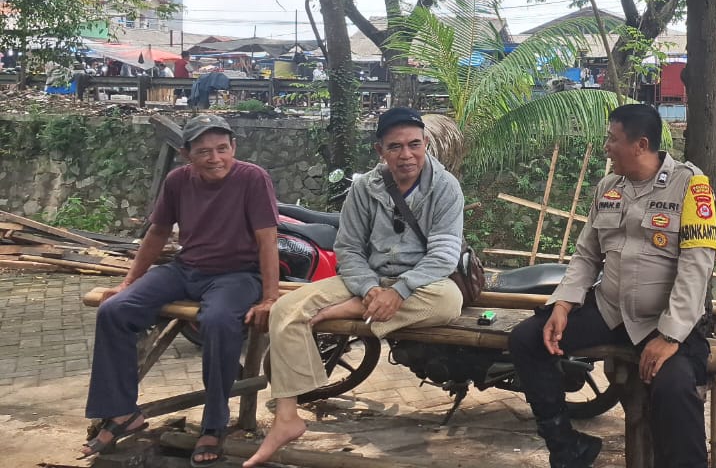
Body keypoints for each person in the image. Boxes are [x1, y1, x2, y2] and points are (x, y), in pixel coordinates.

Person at [244, 108, 465, 467]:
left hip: (421, 283)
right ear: (380, 150)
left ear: (426, 143)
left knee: (449, 302)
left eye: (414, 144)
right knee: (285, 309)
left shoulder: (446, 187)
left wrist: (400, 290)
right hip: (367, 280)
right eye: (395, 147)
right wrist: (368, 289)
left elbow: (444, 254)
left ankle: (356, 310)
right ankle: (287, 417)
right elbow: (347, 248)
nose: (406, 155)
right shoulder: (365, 187)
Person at [509, 104, 716, 468]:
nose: (606, 147)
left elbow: (696, 268)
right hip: (610, 311)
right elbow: (586, 254)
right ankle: (566, 446)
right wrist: (563, 305)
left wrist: (670, 336)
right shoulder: (608, 188)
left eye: (612, 139)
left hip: (664, 321)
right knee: (527, 340)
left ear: (640, 145)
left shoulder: (691, 187)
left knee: (674, 388)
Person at [82, 115, 279, 465]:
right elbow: (158, 232)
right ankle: (122, 411)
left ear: (234, 147)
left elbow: (267, 240)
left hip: (237, 275)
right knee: (115, 309)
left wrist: (269, 297)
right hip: (185, 269)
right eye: (204, 151)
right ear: (186, 153)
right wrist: (128, 282)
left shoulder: (252, 178)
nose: (215, 158)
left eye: (222, 149)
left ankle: (214, 424)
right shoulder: (177, 181)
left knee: (217, 321)